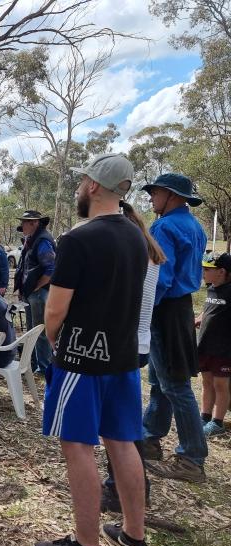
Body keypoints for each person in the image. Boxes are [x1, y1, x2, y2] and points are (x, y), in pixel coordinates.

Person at [35, 153, 149, 546]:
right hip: (122, 359)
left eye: (83, 181)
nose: (80, 188)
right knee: (122, 442)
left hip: (81, 360)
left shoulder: (79, 240)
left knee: (77, 446)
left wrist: (53, 341)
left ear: (94, 186)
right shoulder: (137, 236)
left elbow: (55, 311)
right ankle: (134, 536)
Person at [141, 173, 209, 483]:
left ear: (171, 195)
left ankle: (192, 458)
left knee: (176, 386)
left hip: (164, 309)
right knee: (162, 379)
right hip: (181, 309)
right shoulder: (195, 226)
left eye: (155, 192)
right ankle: (150, 436)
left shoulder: (163, 226)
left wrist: (139, 314)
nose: (151, 198)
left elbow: (160, 279)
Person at [100, 202, 167, 513]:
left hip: (120, 345)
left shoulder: (131, 253)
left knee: (119, 427)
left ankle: (122, 488)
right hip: (136, 344)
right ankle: (126, 486)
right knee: (121, 423)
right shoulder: (149, 253)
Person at [15, 210, 56, 373]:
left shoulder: (42, 241)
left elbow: (51, 268)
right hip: (31, 294)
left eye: (25, 222)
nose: (22, 225)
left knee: (39, 332)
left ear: (35, 223)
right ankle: (32, 364)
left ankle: (43, 367)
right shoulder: (32, 240)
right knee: (32, 331)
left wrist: (37, 287)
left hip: (39, 294)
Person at [197, 253, 231, 437]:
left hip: (223, 349)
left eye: (207, 270)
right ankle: (204, 416)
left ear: (222, 272)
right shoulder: (211, 289)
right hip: (205, 346)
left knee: (220, 384)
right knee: (206, 381)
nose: (203, 273)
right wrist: (197, 319)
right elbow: (208, 311)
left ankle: (217, 422)